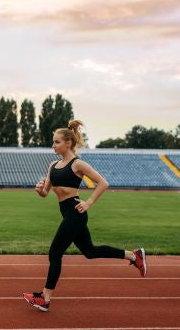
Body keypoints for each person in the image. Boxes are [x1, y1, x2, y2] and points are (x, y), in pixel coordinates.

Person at [23, 119, 146, 312]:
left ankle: (45, 298)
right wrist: (39, 190)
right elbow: (46, 193)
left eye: (56, 142)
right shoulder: (52, 166)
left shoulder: (77, 164)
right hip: (67, 213)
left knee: (55, 252)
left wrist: (88, 202)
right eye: (53, 142)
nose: (53, 145)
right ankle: (133, 255)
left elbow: (103, 183)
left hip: (75, 212)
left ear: (68, 143)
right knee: (89, 251)